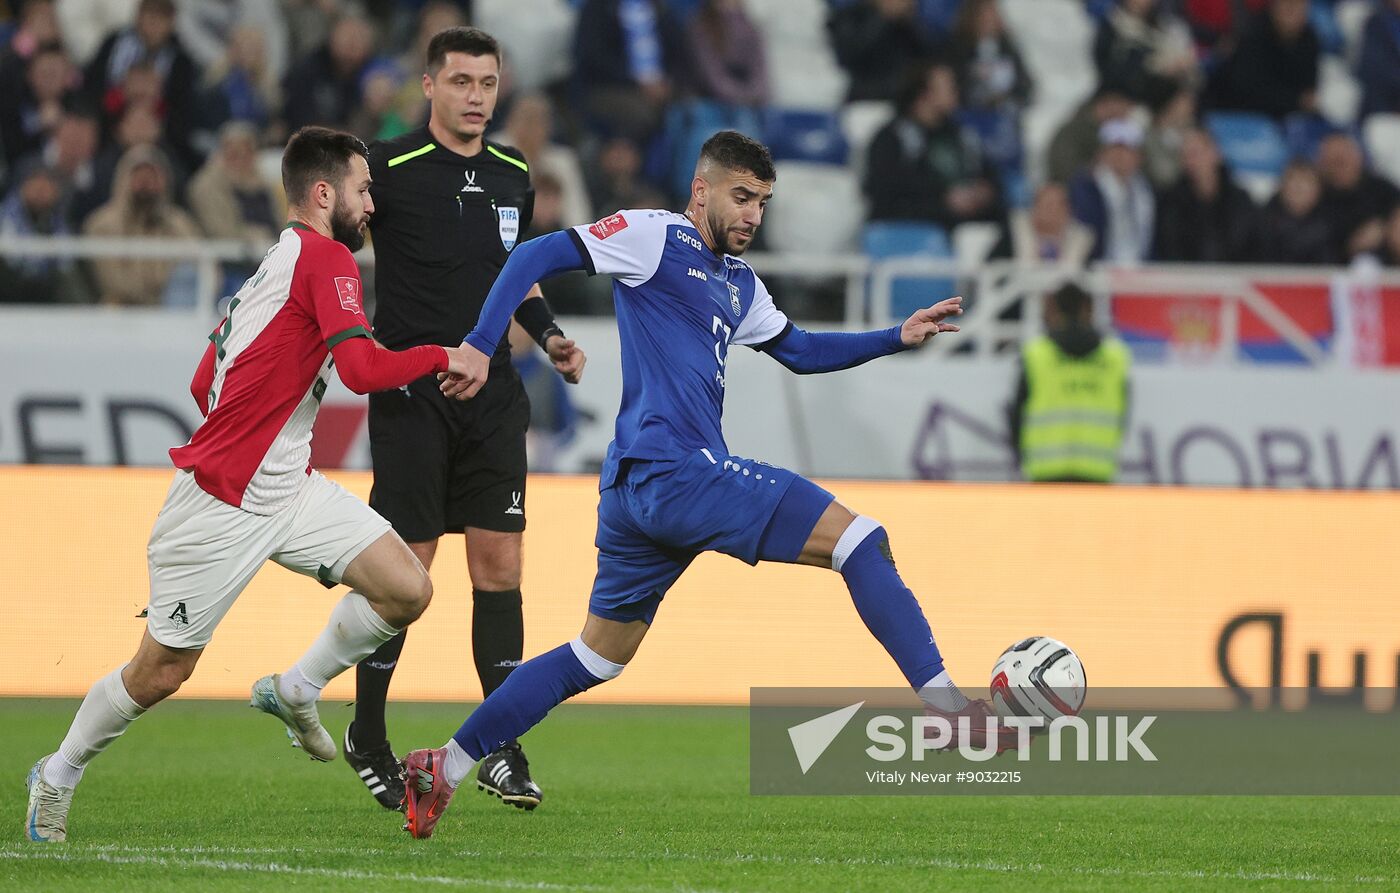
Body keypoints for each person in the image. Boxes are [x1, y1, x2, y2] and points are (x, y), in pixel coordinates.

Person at [397, 131, 1011, 839]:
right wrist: (480, 340)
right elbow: (536, 252)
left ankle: (442, 765)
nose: (752, 214)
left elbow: (801, 351)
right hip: (673, 469)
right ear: (702, 190)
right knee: (862, 541)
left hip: (635, 489)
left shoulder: (739, 284)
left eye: (763, 202)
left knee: (596, 655)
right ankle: (949, 711)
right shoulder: (654, 237)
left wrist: (891, 337)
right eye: (741, 196)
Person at [23, 125, 483, 843]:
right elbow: (360, 373)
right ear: (323, 193)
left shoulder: (276, 262)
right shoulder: (325, 256)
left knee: (407, 587)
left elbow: (204, 377)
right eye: (364, 190)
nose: (372, 206)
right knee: (160, 672)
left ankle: (296, 686)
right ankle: (57, 771)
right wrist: (442, 355)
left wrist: (262, 425)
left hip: (289, 486)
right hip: (220, 500)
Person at [344, 26, 588, 813]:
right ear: (429, 87)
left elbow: (512, 276)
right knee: (404, 580)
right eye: (461, 82)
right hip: (414, 396)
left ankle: (500, 748)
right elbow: (327, 240)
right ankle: (367, 734)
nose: (476, 96)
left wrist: (548, 335)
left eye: (487, 82)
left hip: (493, 397)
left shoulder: (516, 171)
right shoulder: (386, 168)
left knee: (500, 569)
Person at [1009, 282, 1131, 483]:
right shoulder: (1115, 357)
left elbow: (1016, 414)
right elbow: (1123, 414)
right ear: (1088, 308)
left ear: (1054, 309)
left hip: (1045, 471)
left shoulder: (1036, 355)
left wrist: (1021, 457)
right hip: (1097, 470)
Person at [863, 62, 1004, 228]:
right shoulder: (890, 137)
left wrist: (983, 191)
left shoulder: (961, 134)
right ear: (924, 95)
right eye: (948, 87)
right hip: (913, 223)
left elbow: (989, 173)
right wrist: (943, 197)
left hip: (964, 222)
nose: (955, 92)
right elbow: (883, 188)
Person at [81, 144, 201, 306]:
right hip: (121, 309)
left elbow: (201, 267)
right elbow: (111, 281)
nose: (146, 184)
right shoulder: (102, 225)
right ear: (124, 179)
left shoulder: (178, 222)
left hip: (170, 309)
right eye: (140, 177)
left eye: (152, 177)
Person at [1151, 126, 1257, 262]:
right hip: (1187, 278)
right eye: (1185, 156)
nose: (1191, 161)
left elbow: (1250, 245)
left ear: (1216, 153)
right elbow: (1170, 248)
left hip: (1234, 277)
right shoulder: (1170, 201)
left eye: (1196, 153)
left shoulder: (1240, 200)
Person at [1068, 117, 1156, 263]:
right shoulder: (1087, 186)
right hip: (1101, 267)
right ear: (1103, 153)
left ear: (1138, 156)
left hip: (1140, 269)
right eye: (1115, 149)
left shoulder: (1147, 189)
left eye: (1127, 150)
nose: (1120, 156)